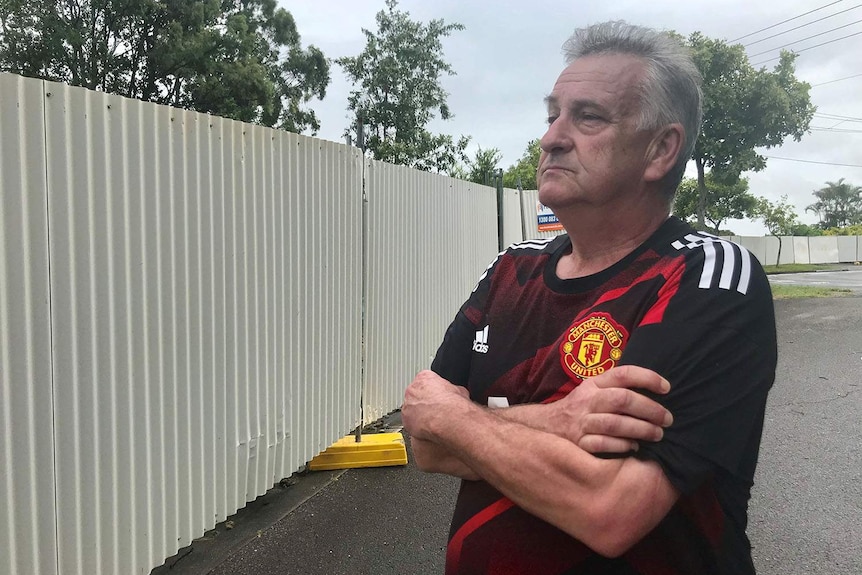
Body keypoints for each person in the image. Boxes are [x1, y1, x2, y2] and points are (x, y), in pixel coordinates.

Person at [401, 20, 777, 575]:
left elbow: (608, 508)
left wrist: (458, 416)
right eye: (552, 114)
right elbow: (422, 443)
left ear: (660, 149)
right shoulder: (513, 269)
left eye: (588, 117)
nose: (552, 136)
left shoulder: (708, 277)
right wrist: (559, 424)